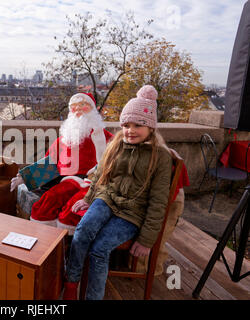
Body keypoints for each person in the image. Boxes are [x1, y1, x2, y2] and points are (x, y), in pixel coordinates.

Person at [63, 85, 173, 300]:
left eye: (138, 125)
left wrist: (147, 239)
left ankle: (92, 297)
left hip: (132, 212)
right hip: (107, 198)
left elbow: (159, 201)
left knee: (99, 249)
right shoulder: (117, 144)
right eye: (127, 125)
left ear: (151, 127)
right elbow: (101, 174)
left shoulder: (160, 156)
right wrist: (89, 198)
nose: (131, 130)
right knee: (83, 230)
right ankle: (71, 282)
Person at [10, 92, 113, 233]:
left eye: (83, 105)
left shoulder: (107, 139)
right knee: (44, 205)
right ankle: (46, 243)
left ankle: (69, 245)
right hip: (67, 181)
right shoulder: (65, 139)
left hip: (94, 182)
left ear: (93, 109)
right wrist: (24, 178)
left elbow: (118, 159)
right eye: (74, 106)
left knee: (71, 212)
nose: (78, 109)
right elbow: (50, 163)